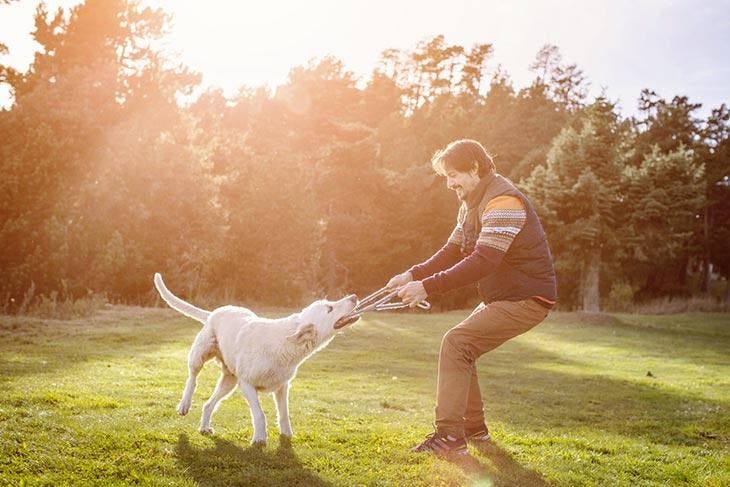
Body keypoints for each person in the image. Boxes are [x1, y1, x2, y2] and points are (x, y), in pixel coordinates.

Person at [387, 139, 557, 457]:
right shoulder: (471, 204)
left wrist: (426, 287)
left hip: (527, 298)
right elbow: (452, 250)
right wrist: (412, 275)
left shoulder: (503, 202)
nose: (450, 183)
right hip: (504, 297)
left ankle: (450, 437)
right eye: (446, 177)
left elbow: (483, 261)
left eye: (454, 175)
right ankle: (474, 430)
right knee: (463, 348)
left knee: (457, 343)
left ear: (475, 168)